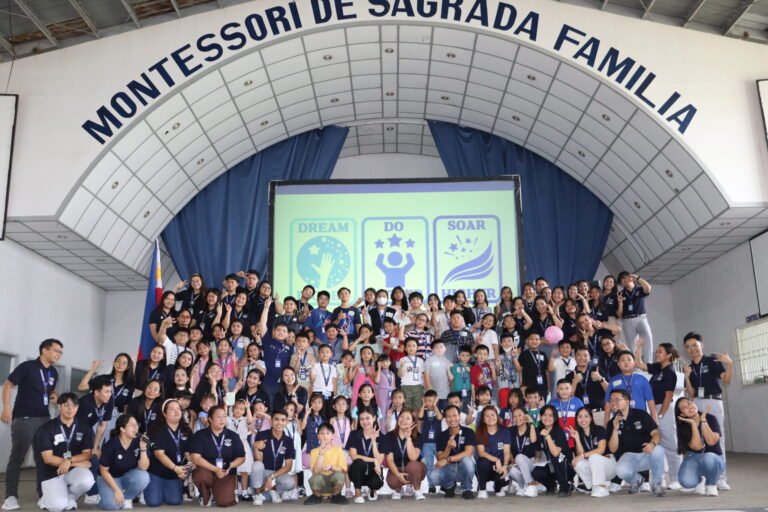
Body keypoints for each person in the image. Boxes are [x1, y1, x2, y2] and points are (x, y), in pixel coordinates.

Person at [2, 338, 63, 511]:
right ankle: (10, 496)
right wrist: (6, 407)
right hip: (24, 418)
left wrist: (54, 397)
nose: (58, 354)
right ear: (44, 350)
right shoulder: (27, 367)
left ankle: (43, 495)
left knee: (42, 459)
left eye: (60, 352)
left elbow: (49, 392)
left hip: (44, 419)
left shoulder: (54, 373)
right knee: (17, 458)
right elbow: (8, 385)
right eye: (56, 350)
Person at [683, 331, 732, 490]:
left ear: (701, 345)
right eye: (689, 347)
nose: (692, 349)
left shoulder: (712, 361)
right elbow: (691, 393)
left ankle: (721, 477)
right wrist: (687, 377)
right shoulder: (689, 367)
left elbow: (726, 379)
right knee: (699, 438)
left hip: (713, 401)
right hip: (696, 402)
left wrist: (729, 364)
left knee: (717, 438)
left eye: (695, 346)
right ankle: (704, 476)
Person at [32, 393, 95, 512]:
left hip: (72, 471)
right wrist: (74, 463)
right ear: (59, 406)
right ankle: (45, 499)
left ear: (77, 407)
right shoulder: (46, 428)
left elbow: (87, 454)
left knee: (87, 480)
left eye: (74, 405)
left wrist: (69, 461)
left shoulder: (84, 428)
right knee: (57, 507)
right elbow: (48, 458)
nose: (70, 408)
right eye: (66, 405)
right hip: (51, 473)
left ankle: (70, 497)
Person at [635, 338, 682, 489]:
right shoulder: (658, 368)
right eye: (657, 351)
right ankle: (660, 476)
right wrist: (639, 347)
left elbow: (668, 396)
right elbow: (639, 364)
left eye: (660, 351)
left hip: (664, 408)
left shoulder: (670, 372)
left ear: (669, 355)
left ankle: (676, 477)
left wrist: (660, 415)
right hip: (654, 408)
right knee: (657, 443)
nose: (657, 353)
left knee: (669, 442)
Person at [606, 389, 665, 497]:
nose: (613, 402)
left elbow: (656, 433)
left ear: (627, 402)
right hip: (629, 458)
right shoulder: (611, 423)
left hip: (646, 454)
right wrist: (615, 429)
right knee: (620, 470)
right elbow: (613, 449)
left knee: (659, 450)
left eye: (616, 399)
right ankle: (637, 480)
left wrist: (652, 444)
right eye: (611, 400)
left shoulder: (641, 414)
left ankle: (657, 483)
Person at [189, 405, 246, 507]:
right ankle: (206, 494)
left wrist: (231, 465)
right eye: (218, 417)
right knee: (201, 475)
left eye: (224, 416)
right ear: (210, 419)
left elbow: (242, 457)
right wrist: (215, 469)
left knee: (225, 502)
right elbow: (195, 457)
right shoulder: (200, 435)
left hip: (226, 473)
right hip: (207, 471)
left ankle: (219, 492)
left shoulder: (233, 435)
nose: (222, 419)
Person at [96, 414, 151, 510]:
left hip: (125, 476)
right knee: (112, 506)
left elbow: (143, 467)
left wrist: (143, 449)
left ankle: (127, 498)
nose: (136, 427)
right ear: (122, 429)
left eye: (136, 425)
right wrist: (117, 490)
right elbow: (103, 471)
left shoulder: (138, 441)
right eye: (132, 425)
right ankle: (104, 498)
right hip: (108, 478)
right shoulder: (111, 445)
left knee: (144, 476)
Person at [145, 398, 192, 507]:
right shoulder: (156, 430)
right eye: (172, 409)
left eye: (178, 409)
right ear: (164, 414)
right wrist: (175, 468)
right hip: (157, 472)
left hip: (175, 473)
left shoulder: (186, 430)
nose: (176, 411)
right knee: (154, 502)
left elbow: (188, 452)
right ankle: (151, 486)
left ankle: (166, 488)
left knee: (175, 501)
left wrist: (190, 467)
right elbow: (159, 454)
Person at [674, 398, 724, 496]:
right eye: (684, 407)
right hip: (694, 457)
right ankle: (701, 480)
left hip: (714, 458)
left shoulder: (711, 418)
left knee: (708, 457)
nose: (689, 407)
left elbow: (711, 441)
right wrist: (693, 424)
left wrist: (703, 420)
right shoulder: (682, 426)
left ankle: (711, 485)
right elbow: (697, 447)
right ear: (682, 414)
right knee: (687, 482)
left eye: (689, 403)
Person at [251, 410, 298, 506]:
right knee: (256, 465)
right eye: (276, 419)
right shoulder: (262, 435)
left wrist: (271, 477)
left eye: (283, 420)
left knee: (290, 482)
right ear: (271, 421)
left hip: (276, 474)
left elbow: (288, 466)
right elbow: (259, 460)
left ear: (286, 422)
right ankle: (259, 494)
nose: (279, 423)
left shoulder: (288, 441)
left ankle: (270, 492)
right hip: (262, 473)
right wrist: (255, 447)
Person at [431, 405, 476, 499]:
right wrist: (448, 447)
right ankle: (449, 486)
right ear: (445, 419)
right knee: (433, 476)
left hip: (462, 468)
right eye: (448, 416)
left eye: (454, 415)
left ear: (459, 416)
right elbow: (439, 457)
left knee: (467, 461)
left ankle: (467, 489)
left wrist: (448, 459)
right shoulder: (441, 436)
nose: (452, 419)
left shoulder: (469, 432)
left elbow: (468, 452)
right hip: (449, 469)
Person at [569, 407, 615, 498]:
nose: (583, 420)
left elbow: (601, 449)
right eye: (580, 417)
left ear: (591, 418)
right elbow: (580, 455)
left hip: (609, 466)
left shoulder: (599, 429)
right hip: (594, 466)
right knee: (578, 463)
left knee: (594, 457)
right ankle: (590, 486)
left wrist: (583, 455)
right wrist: (577, 439)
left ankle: (601, 488)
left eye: (586, 416)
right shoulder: (579, 433)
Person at [381, 409, 426, 500]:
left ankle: (417, 490)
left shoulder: (418, 436)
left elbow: (413, 458)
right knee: (392, 481)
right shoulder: (389, 436)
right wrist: (398, 475)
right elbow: (390, 460)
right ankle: (398, 489)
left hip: (415, 469)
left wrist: (408, 438)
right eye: (401, 417)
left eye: (408, 418)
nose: (403, 420)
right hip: (397, 468)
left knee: (413, 465)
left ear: (413, 422)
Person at [603, 351, 657, 423]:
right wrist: (606, 424)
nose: (626, 362)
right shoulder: (613, 381)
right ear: (618, 364)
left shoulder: (642, 379)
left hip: (641, 419)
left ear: (634, 363)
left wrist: (655, 424)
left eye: (629, 359)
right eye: (622, 360)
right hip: (620, 420)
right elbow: (607, 404)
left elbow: (651, 403)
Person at [531, 405, 573, 497]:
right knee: (536, 472)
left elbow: (556, 453)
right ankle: (551, 485)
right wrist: (537, 458)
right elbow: (535, 443)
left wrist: (547, 436)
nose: (547, 418)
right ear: (540, 416)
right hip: (553, 465)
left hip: (566, 467)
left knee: (556, 457)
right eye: (544, 415)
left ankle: (565, 486)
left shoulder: (558, 431)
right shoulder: (540, 430)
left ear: (555, 418)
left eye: (551, 415)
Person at [304, 422, 349, 505]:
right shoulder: (314, 451)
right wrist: (321, 454)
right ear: (318, 436)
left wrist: (332, 468)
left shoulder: (338, 450)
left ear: (332, 436)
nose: (324, 436)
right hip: (321, 484)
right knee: (315, 478)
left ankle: (336, 496)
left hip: (334, 483)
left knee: (339, 475)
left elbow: (343, 469)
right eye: (322, 433)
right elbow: (315, 472)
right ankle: (316, 496)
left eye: (328, 433)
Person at [346, 408, 384, 503]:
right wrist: (373, 460)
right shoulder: (354, 434)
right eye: (362, 419)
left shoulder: (382, 436)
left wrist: (374, 441)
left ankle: (372, 489)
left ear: (374, 418)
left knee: (377, 483)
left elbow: (379, 460)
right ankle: (358, 492)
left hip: (373, 470)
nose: (365, 421)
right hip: (357, 471)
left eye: (368, 418)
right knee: (359, 462)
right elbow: (354, 456)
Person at [474, 406, 510, 499]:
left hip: (500, 466)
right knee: (482, 462)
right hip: (486, 465)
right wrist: (496, 460)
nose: (490, 418)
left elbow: (506, 452)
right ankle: (482, 490)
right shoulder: (480, 431)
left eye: (493, 415)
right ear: (483, 419)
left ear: (497, 416)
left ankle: (498, 488)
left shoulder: (504, 431)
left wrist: (505, 466)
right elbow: (481, 453)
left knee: (501, 480)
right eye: (487, 416)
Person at [616, 271, 652, 361]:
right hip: (627, 320)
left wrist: (638, 278)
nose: (624, 281)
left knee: (648, 338)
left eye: (625, 278)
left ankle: (648, 363)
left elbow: (648, 288)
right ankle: (634, 367)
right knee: (631, 345)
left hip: (641, 317)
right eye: (622, 280)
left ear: (631, 277)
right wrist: (620, 303)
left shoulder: (639, 289)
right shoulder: (621, 294)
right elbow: (619, 315)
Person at [508, 407, 538, 497]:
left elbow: (533, 440)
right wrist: (512, 462)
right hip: (517, 463)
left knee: (520, 457)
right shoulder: (510, 431)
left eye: (520, 415)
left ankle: (531, 485)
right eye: (514, 416)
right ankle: (523, 486)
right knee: (512, 471)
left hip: (531, 462)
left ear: (526, 416)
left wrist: (532, 423)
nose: (517, 418)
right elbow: (508, 450)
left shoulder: (531, 429)